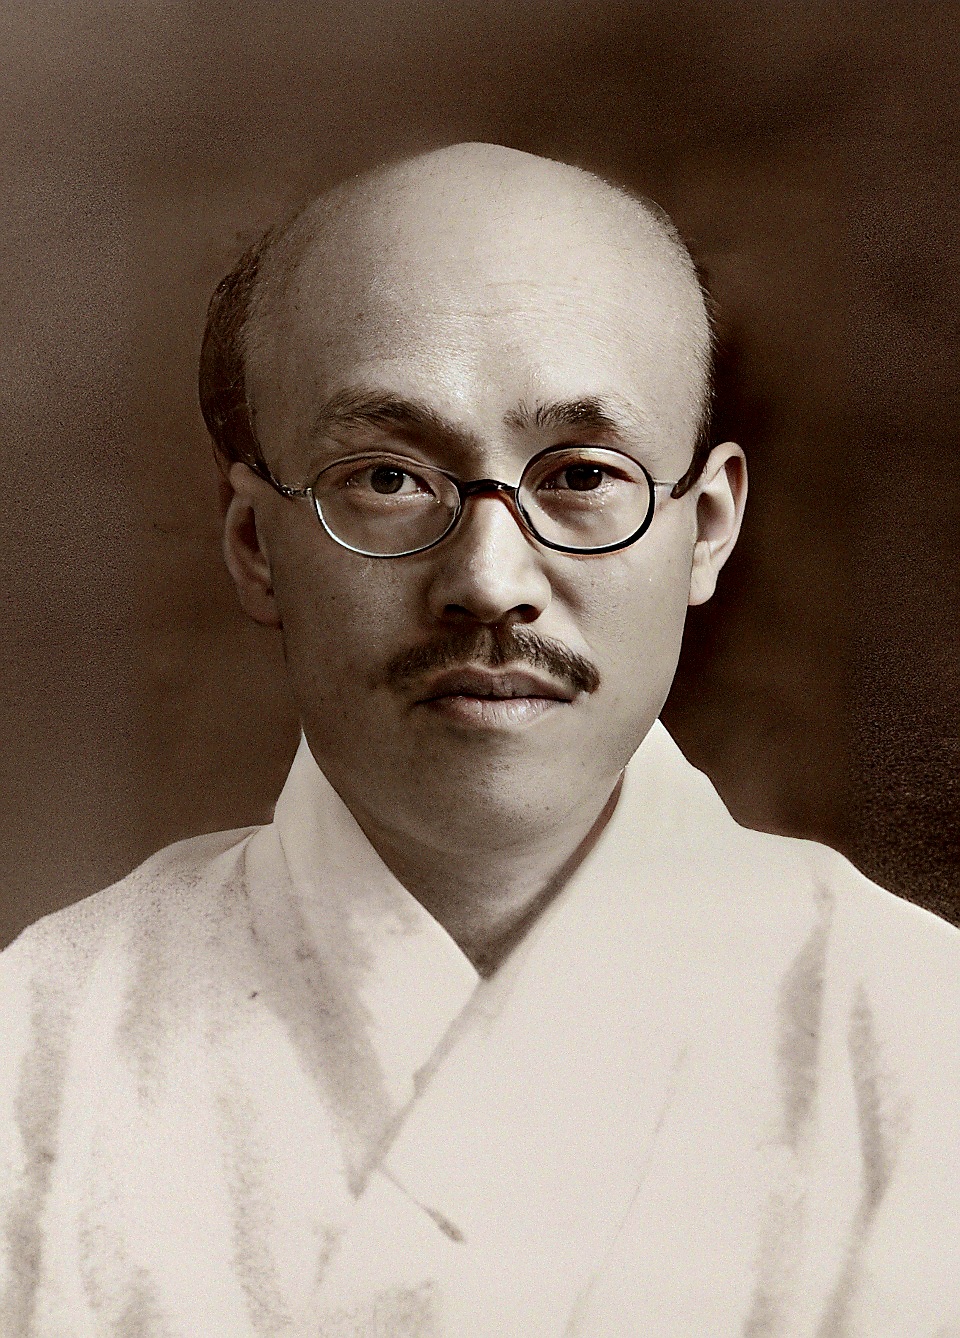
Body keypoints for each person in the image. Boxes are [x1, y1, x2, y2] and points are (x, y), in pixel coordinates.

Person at [1, 143, 957, 1337]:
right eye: (387, 478)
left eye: (582, 475)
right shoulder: (41, 1048)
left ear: (706, 527)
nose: (491, 582)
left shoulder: (921, 1038)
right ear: (253, 544)